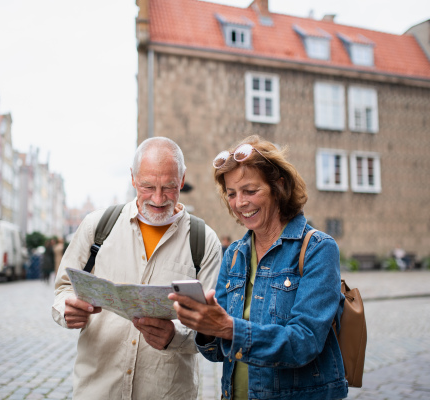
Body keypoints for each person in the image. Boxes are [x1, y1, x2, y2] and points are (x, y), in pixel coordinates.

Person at [169, 135, 348, 400]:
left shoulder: (317, 248)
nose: (240, 203)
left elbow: (304, 342)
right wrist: (206, 327)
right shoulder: (234, 255)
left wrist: (229, 328)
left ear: (279, 186)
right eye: (232, 194)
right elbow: (217, 352)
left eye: (250, 191)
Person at [52, 137, 222, 399]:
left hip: (167, 392)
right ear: (133, 178)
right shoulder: (97, 226)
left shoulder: (203, 240)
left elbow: (212, 325)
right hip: (97, 389)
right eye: (147, 186)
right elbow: (63, 287)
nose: (157, 198)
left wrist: (175, 336)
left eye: (169, 187)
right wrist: (66, 308)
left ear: (182, 178)